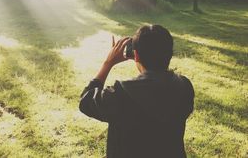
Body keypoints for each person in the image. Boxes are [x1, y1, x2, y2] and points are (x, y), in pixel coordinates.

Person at [79, 25, 194, 158]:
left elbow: (85, 101)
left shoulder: (120, 95)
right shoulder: (184, 86)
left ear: (136, 55)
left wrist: (108, 63)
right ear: (169, 54)